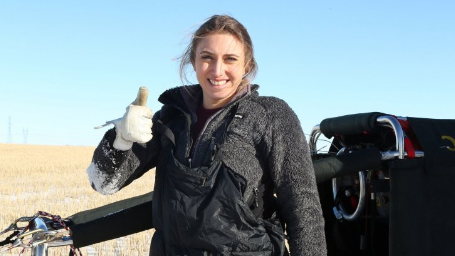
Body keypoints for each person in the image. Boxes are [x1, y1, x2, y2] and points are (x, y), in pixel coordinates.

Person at [86, 14, 327, 255]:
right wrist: (120, 140)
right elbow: (103, 182)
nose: (217, 70)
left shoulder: (271, 116)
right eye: (207, 57)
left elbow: (303, 208)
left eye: (230, 59)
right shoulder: (170, 118)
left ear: (247, 65)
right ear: (193, 60)